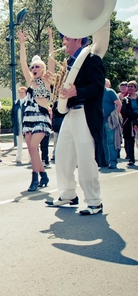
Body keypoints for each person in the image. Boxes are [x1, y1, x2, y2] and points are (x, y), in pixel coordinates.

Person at [45, 33, 106, 215]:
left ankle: (94, 201)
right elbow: (62, 91)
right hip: (70, 114)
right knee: (62, 155)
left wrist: (76, 91)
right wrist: (53, 83)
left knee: (86, 159)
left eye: (67, 39)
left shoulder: (92, 59)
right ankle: (68, 194)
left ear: (78, 40)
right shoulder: (68, 63)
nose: (63, 43)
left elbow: (97, 86)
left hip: (85, 114)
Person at [18, 29, 54, 192]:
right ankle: (44, 175)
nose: (33, 68)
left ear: (43, 68)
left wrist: (51, 38)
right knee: (32, 150)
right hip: (28, 118)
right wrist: (22, 43)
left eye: (37, 66)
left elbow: (51, 58)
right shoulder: (30, 81)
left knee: (33, 148)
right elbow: (23, 62)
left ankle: (34, 178)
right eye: (33, 67)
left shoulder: (47, 81)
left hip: (41, 117)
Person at [102, 78, 122, 170]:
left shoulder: (110, 92)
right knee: (103, 142)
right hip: (99, 120)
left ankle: (112, 162)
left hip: (109, 120)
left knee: (110, 142)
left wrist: (114, 115)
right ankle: (106, 161)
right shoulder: (96, 93)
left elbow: (119, 104)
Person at [121, 81, 138, 166]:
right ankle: (131, 159)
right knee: (130, 141)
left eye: (132, 86)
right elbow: (125, 111)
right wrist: (135, 115)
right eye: (129, 86)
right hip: (130, 122)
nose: (130, 88)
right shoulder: (125, 99)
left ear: (136, 88)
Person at [11, 87, 28, 165]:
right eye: (20, 92)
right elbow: (13, 114)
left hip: (27, 125)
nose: (21, 94)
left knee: (29, 142)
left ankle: (31, 157)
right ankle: (18, 157)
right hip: (18, 125)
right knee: (19, 141)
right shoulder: (16, 102)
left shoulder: (28, 102)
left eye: (22, 92)